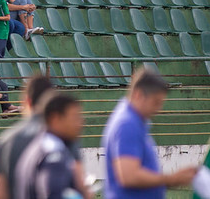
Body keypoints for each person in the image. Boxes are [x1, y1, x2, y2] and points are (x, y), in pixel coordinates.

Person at [102, 69, 198, 199]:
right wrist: (171, 179)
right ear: (138, 95)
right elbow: (129, 177)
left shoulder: (134, 120)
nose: (158, 109)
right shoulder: (127, 124)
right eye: (156, 102)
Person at [13, 93, 84, 199]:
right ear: (55, 119)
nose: (81, 122)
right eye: (74, 117)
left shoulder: (39, 145)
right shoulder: (53, 153)